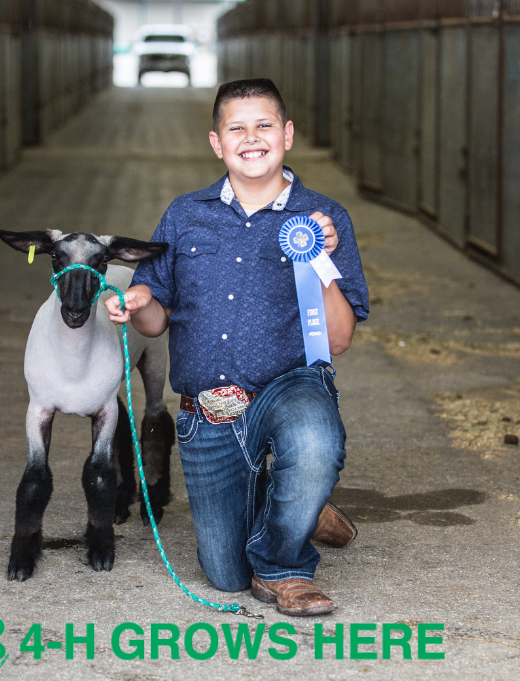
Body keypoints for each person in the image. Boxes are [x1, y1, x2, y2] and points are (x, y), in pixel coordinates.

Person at [107, 78, 366, 617]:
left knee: (315, 441)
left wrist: (321, 262)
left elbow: (338, 339)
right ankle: (298, 501)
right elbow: (155, 322)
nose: (252, 138)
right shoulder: (185, 214)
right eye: (237, 128)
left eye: (265, 125)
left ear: (287, 134)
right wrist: (135, 300)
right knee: (225, 574)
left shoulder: (323, 217)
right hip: (211, 408)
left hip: (289, 384)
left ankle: (284, 566)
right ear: (217, 142)